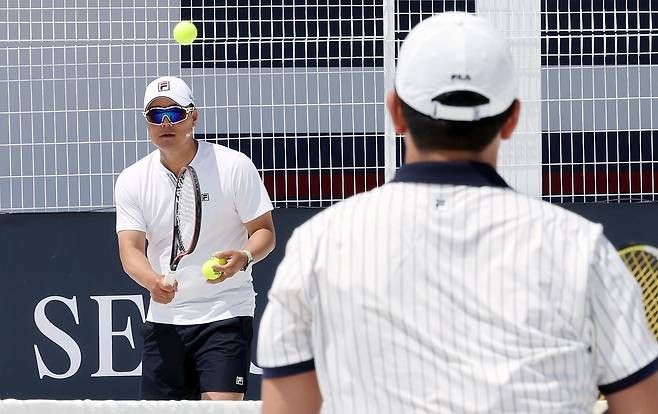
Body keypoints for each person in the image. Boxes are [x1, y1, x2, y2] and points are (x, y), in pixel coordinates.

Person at [256, 12, 658, 414]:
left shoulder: (317, 244)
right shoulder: (581, 247)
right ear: (512, 119)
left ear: (395, 112)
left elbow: (287, 407)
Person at [114, 76, 275, 400]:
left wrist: (243, 258)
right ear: (147, 122)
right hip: (165, 320)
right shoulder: (132, 179)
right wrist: (152, 281)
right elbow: (130, 249)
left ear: (193, 116)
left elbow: (265, 232)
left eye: (174, 112)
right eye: (155, 115)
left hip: (226, 312)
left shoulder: (234, 166)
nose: (165, 122)